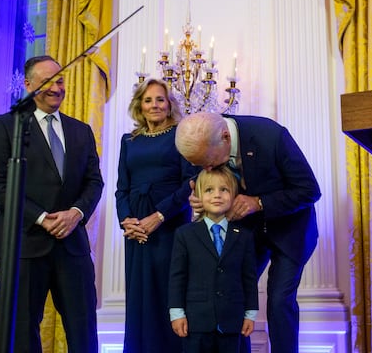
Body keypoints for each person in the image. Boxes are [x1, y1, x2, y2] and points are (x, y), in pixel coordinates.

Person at [0, 55, 104, 352]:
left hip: (72, 245)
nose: (56, 87)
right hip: (23, 244)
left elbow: (94, 182)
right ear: (27, 85)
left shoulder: (81, 130)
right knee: (22, 331)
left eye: (60, 80)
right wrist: (41, 217)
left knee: (84, 328)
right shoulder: (5, 126)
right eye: (48, 81)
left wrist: (76, 214)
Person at [175, 111, 321, 353]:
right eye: (200, 165)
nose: (206, 168)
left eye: (208, 163)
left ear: (225, 137)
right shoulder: (202, 142)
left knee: (278, 301)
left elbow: (309, 190)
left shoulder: (271, 136)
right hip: (248, 233)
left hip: (291, 231)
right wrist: (200, 196)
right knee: (230, 293)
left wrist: (259, 202)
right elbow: (200, 179)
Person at [115, 78, 198, 352]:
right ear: (139, 105)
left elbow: (189, 184)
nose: (154, 105)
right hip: (135, 229)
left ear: (169, 103)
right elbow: (121, 188)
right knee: (140, 296)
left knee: (168, 292)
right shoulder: (128, 141)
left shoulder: (181, 135)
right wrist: (126, 220)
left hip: (170, 225)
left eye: (160, 99)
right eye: (148, 100)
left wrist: (159, 216)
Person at [168, 166, 258, 353]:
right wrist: (176, 313)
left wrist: (250, 314)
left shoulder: (244, 236)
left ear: (234, 196)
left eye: (224, 189)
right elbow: (177, 277)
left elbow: (249, 278)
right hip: (196, 323)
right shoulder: (185, 235)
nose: (217, 195)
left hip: (233, 323)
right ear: (198, 196)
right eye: (209, 190)